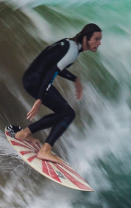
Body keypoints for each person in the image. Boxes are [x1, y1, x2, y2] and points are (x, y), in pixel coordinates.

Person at [9, 23, 102, 162]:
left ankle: (24, 133)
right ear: (85, 38)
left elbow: (54, 67)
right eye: (96, 39)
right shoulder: (72, 52)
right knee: (68, 114)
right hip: (36, 81)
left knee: (63, 113)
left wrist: (74, 78)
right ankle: (45, 150)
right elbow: (51, 72)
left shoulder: (69, 44)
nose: (99, 43)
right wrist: (40, 98)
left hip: (33, 77)